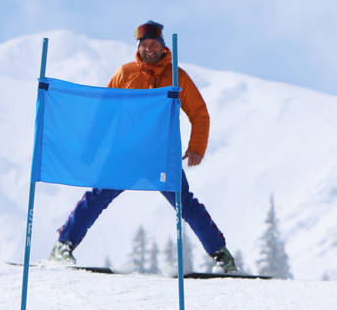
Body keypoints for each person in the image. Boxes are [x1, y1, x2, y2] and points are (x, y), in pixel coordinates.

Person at [49, 20, 238, 273]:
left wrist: (196, 147)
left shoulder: (177, 76)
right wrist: (91, 147)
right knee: (97, 197)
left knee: (185, 203)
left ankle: (222, 256)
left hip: (160, 157)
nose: (149, 49)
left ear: (163, 46)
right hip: (124, 154)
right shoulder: (125, 74)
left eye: (154, 44)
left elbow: (199, 113)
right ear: (138, 47)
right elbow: (104, 112)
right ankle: (62, 246)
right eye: (144, 44)